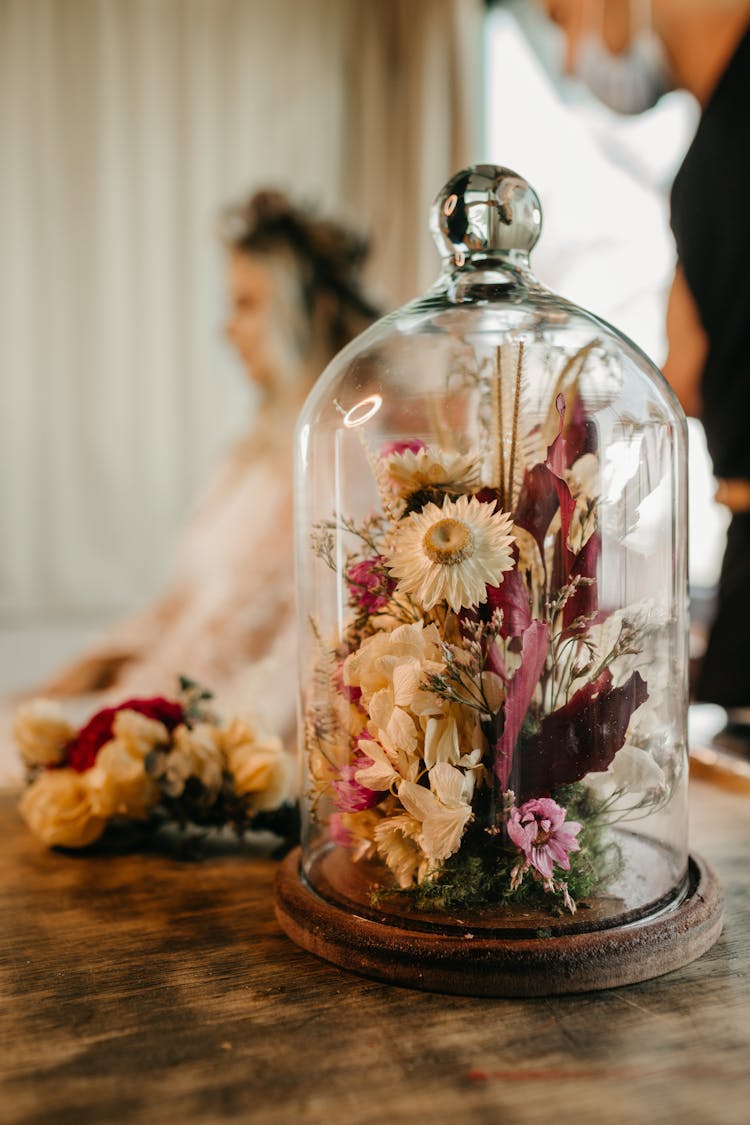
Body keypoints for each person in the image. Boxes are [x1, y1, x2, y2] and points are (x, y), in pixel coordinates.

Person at [37, 190, 380, 745]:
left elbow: (320, 649)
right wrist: (98, 662)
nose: (227, 329)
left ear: (309, 308)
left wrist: (211, 759)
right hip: (154, 699)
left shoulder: (341, 463)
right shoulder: (245, 462)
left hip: (220, 736)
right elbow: (186, 599)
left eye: (248, 304)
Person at [540, 0, 750, 710]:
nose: (572, 58)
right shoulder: (711, 152)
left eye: (558, 13)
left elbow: (683, 376)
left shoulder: (718, 159)